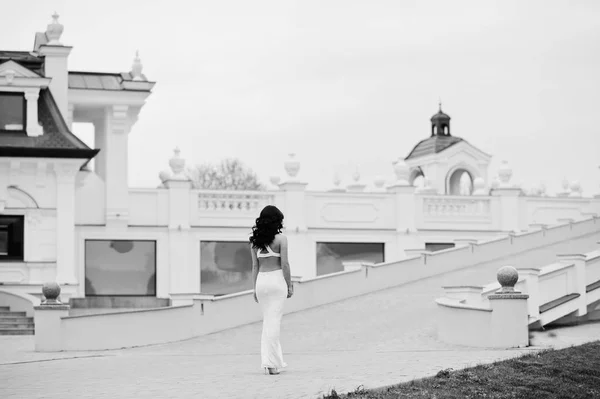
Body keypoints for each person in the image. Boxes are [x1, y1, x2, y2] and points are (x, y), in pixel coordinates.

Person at [249, 205, 293, 375]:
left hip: (261, 281)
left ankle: (270, 362)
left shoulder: (254, 241)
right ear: (276, 220)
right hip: (276, 281)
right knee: (274, 322)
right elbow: (285, 265)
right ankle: (272, 364)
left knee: (268, 322)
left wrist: (254, 288)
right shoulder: (282, 239)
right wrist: (289, 284)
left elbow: (254, 267)